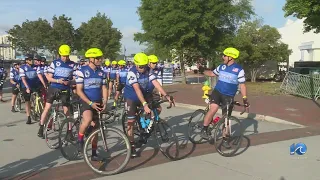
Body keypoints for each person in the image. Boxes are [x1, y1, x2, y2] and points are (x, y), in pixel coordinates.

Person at [123, 52, 173, 157]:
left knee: (157, 109)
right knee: (131, 122)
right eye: (141, 67)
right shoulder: (131, 73)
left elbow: (156, 83)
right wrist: (145, 104)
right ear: (136, 65)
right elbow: (137, 89)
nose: (143, 69)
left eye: (145, 66)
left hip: (145, 95)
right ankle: (131, 146)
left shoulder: (148, 70)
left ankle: (145, 127)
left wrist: (166, 95)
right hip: (131, 97)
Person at [201, 47, 250, 145]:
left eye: (224, 55)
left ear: (230, 57)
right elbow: (211, 73)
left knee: (226, 118)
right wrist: (202, 70)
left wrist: (245, 99)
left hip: (228, 96)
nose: (222, 57)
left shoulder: (239, 70)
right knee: (213, 109)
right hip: (217, 92)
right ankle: (204, 130)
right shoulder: (221, 66)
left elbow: (242, 85)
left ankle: (225, 138)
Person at [37, 44, 77, 137]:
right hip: (54, 88)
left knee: (67, 111)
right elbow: (49, 78)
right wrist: (58, 80)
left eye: (67, 56)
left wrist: (70, 82)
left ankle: (69, 131)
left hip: (65, 89)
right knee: (47, 108)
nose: (65, 58)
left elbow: (75, 79)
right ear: (60, 54)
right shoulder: (55, 63)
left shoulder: (72, 65)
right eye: (63, 56)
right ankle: (41, 127)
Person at [75, 48, 107, 160]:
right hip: (86, 101)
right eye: (98, 58)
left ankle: (94, 153)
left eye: (101, 58)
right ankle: (80, 140)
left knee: (96, 129)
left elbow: (104, 87)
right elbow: (79, 90)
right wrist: (90, 103)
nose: (100, 60)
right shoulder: (81, 71)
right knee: (88, 120)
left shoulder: (101, 72)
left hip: (97, 101)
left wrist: (105, 101)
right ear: (91, 59)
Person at [19, 55, 39, 124]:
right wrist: (27, 87)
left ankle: (37, 110)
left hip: (35, 85)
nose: (32, 61)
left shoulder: (36, 67)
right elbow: (23, 79)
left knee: (39, 98)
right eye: (30, 59)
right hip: (26, 86)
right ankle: (28, 117)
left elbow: (39, 76)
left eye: (32, 59)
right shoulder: (22, 68)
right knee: (27, 102)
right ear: (27, 60)